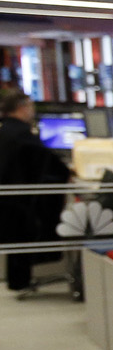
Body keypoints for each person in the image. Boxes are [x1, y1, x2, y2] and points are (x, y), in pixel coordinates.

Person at [0, 89, 70, 291]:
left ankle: (17, 282)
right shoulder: (22, 134)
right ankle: (20, 282)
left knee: (16, 241)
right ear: (21, 107)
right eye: (30, 106)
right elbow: (50, 164)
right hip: (19, 202)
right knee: (23, 236)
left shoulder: (6, 130)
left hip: (9, 199)